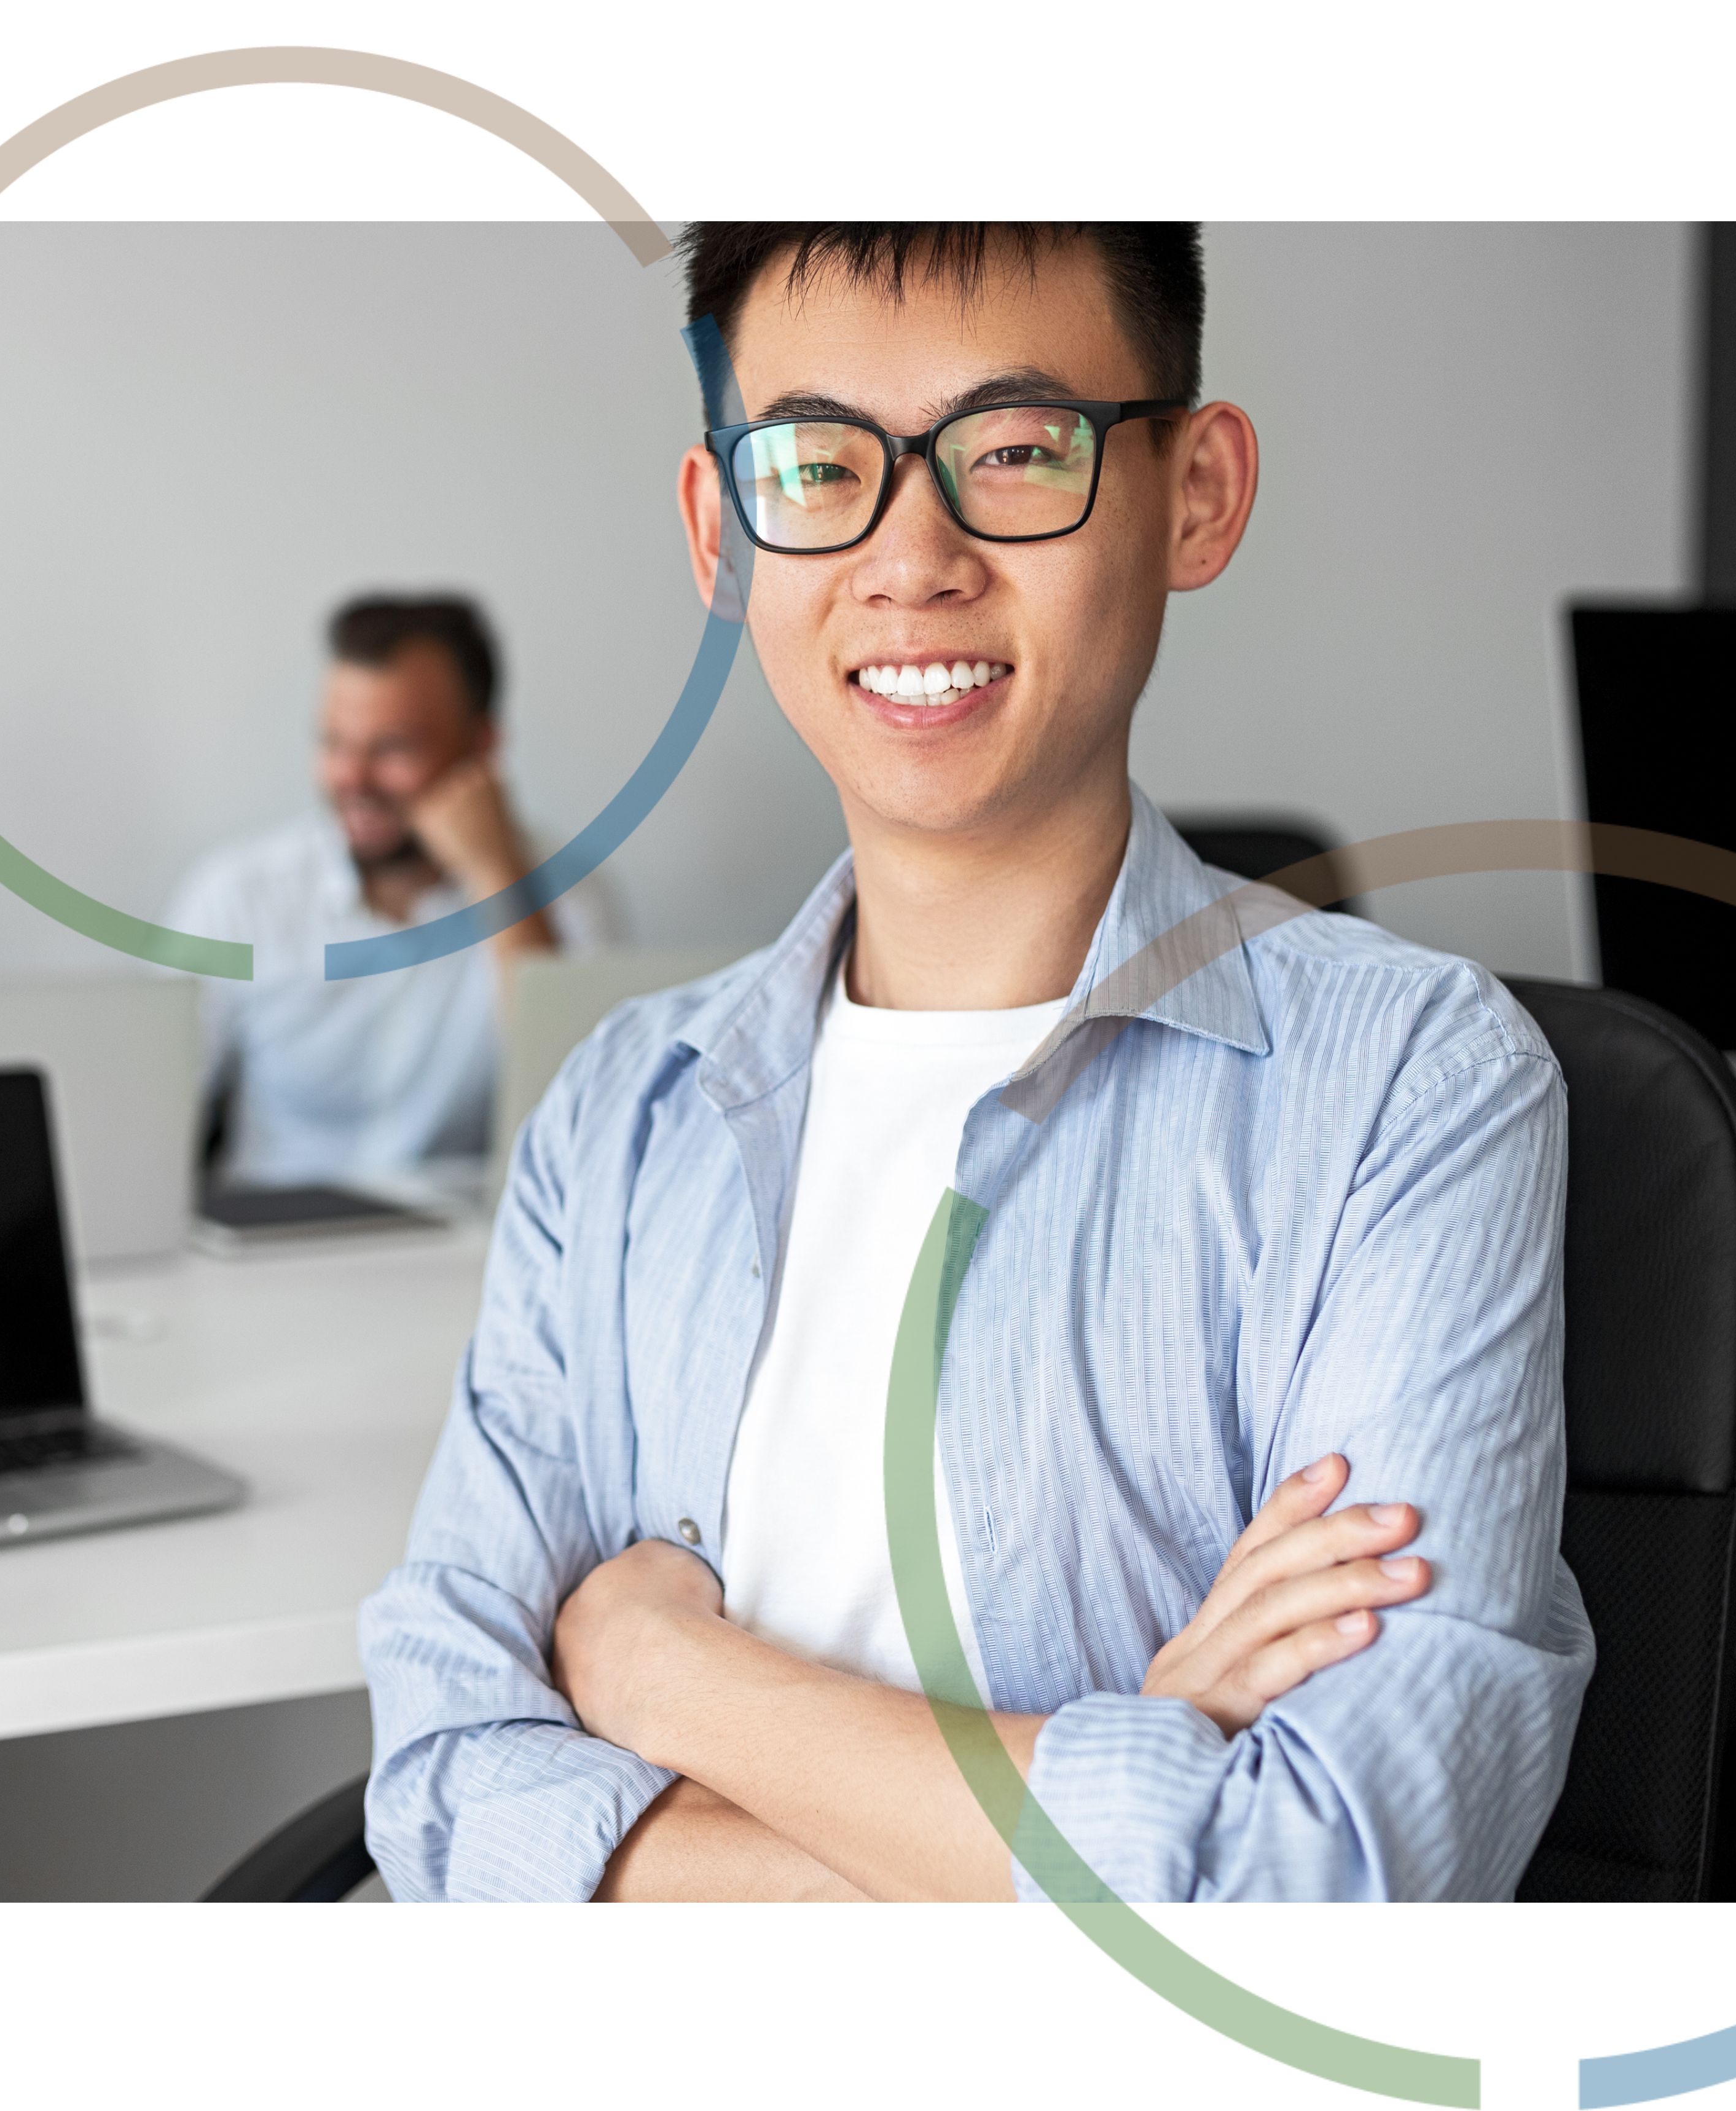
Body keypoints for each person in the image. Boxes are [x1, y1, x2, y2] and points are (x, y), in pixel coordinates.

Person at [359, 224, 1590, 1903]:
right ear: (725, 534)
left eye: (1018, 453)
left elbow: (1309, 1901)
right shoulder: (621, 1111)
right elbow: (439, 1802)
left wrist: (666, 1680)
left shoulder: (1410, 1088)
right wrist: (1093, 1817)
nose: (911, 557)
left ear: (1197, 494)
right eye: (817, 466)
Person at [168, 594, 621, 1192]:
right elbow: (136, 1113)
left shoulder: (565, 898)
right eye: (335, 744)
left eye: (393, 748)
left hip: (457, 1250)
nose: (352, 779)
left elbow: (590, 1114)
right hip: (268, 1242)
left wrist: (495, 876)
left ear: (481, 747)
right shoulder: (236, 896)